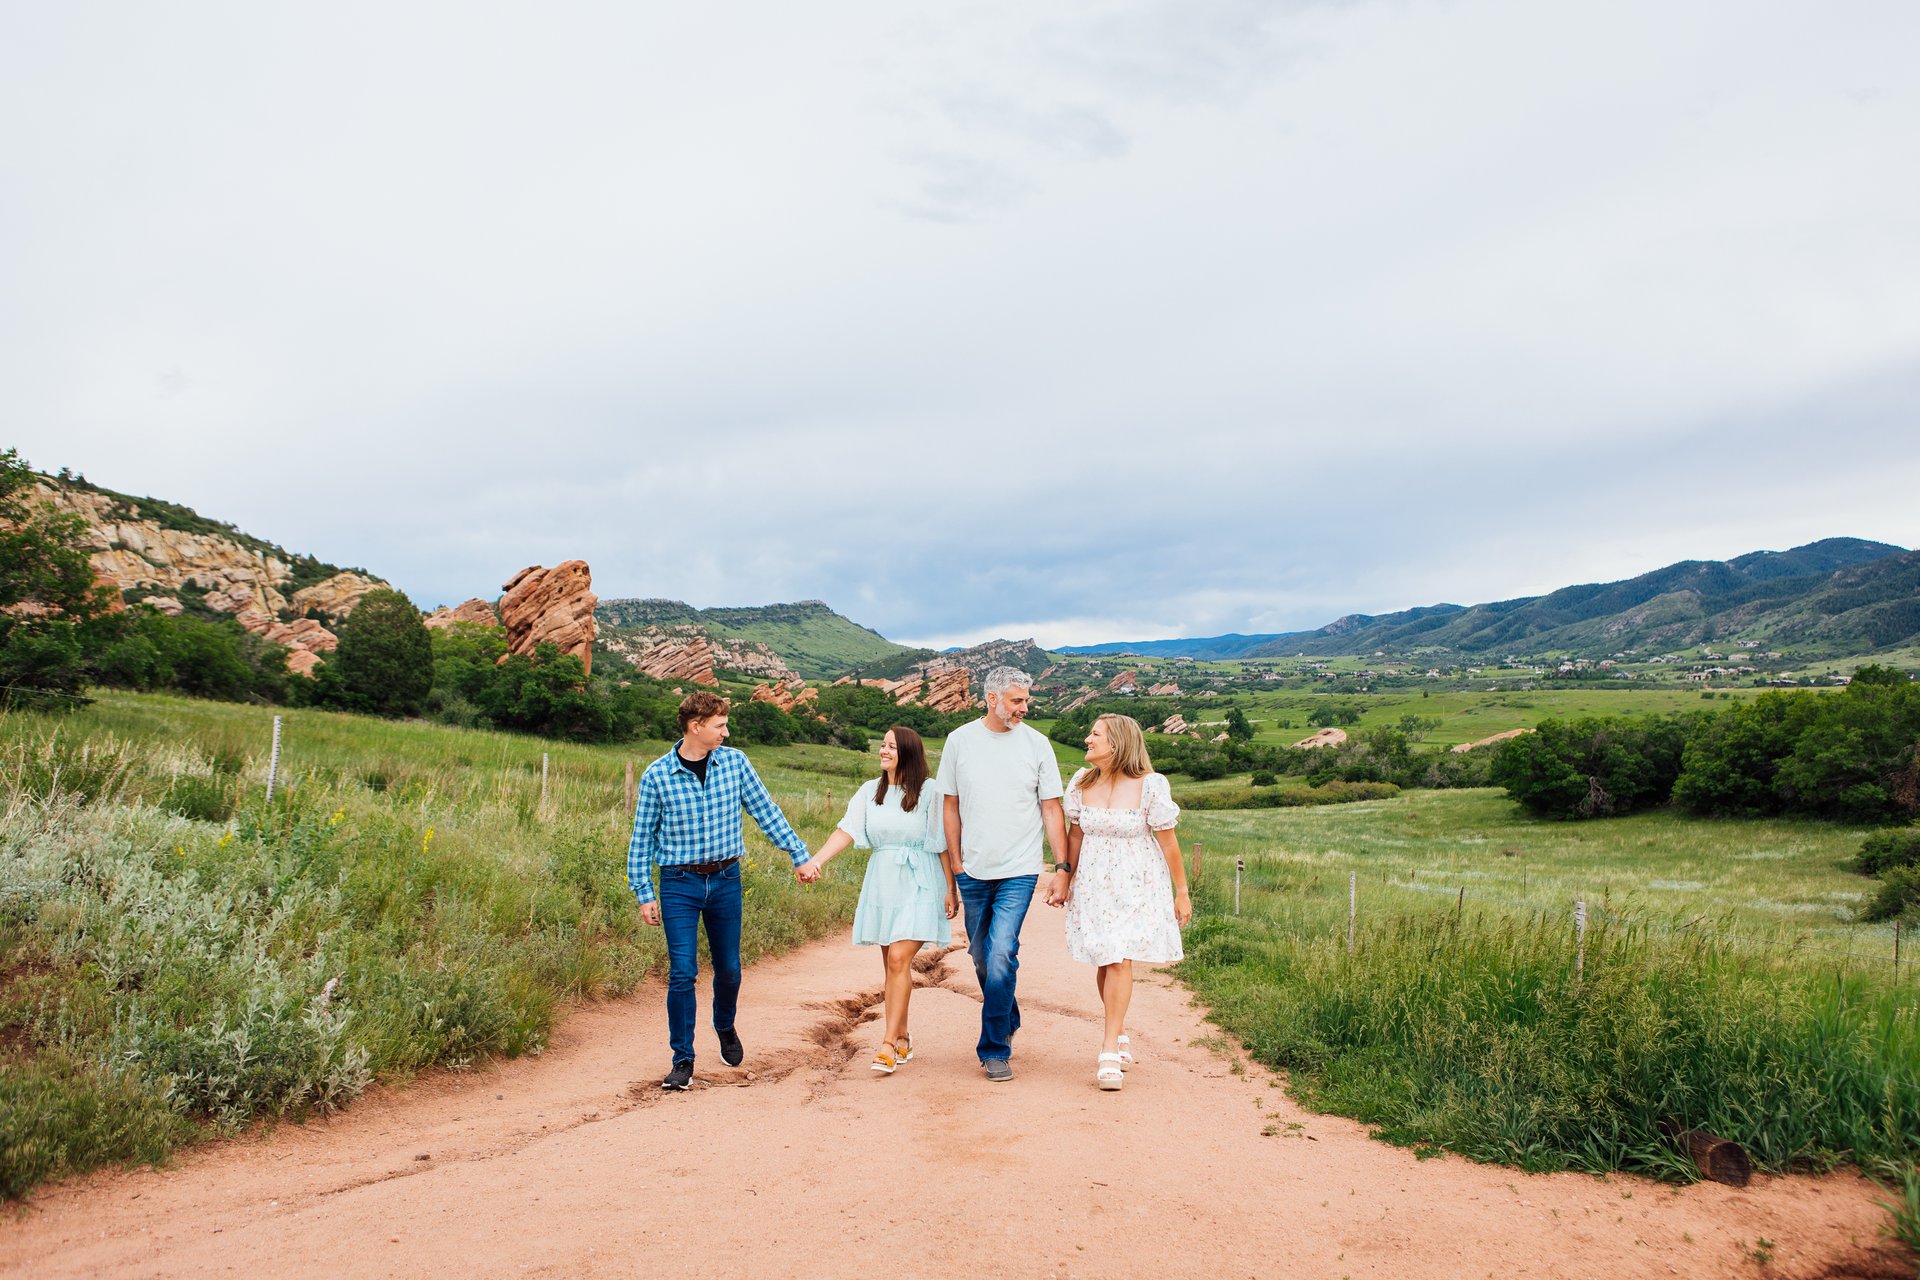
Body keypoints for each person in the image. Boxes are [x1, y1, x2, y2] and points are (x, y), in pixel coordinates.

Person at [627, 690, 812, 1092]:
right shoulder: (657, 775)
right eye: (720, 725)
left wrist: (798, 853)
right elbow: (641, 839)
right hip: (679, 883)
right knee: (682, 972)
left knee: (729, 969)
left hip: (726, 880)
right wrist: (643, 892)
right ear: (696, 727)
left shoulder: (736, 763)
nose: (726, 732)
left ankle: (724, 1025)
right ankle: (683, 1059)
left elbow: (766, 811)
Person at [796, 726, 958, 1073]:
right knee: (892, 965)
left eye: (892, 747)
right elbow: (847, 829)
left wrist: (950, 887)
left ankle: (885, 1045)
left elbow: (940, 840)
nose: (883, 751)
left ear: (909, 754)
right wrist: (816, 861)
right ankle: (901, 1036)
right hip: (883, 881)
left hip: (920, 881)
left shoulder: (929, 792)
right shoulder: (871, 791)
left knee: (900, 958)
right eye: (882, 745)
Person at [935, 666, 1068, 1082]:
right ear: (991, 699)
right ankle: (1007, 1011)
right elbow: (950, 805)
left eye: (1026, 700)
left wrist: (1062, 868)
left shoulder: (1038, 744)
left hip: (1020, 869)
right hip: (972, 868)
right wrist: (955, 866)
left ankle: (994, 1048)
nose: (1024, 707)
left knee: (1000, 952)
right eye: (1017, 700)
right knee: (979, 955)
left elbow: (1051, 808)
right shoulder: (959, 741)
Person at [1058, 713, 1192, 1092]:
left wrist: (1181, 892)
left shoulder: (1151, 786)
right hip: (1093, 888)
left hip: (1137, 885)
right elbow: (1076, 838)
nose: (1087, 739)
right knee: (1105, 958)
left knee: (1118, 958)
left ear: (1116, 743)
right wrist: (1064, 877)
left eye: (1095, 735)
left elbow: (1168, 843)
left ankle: (1108, 1050)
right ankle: (1117, 1032)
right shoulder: (1081, 784)